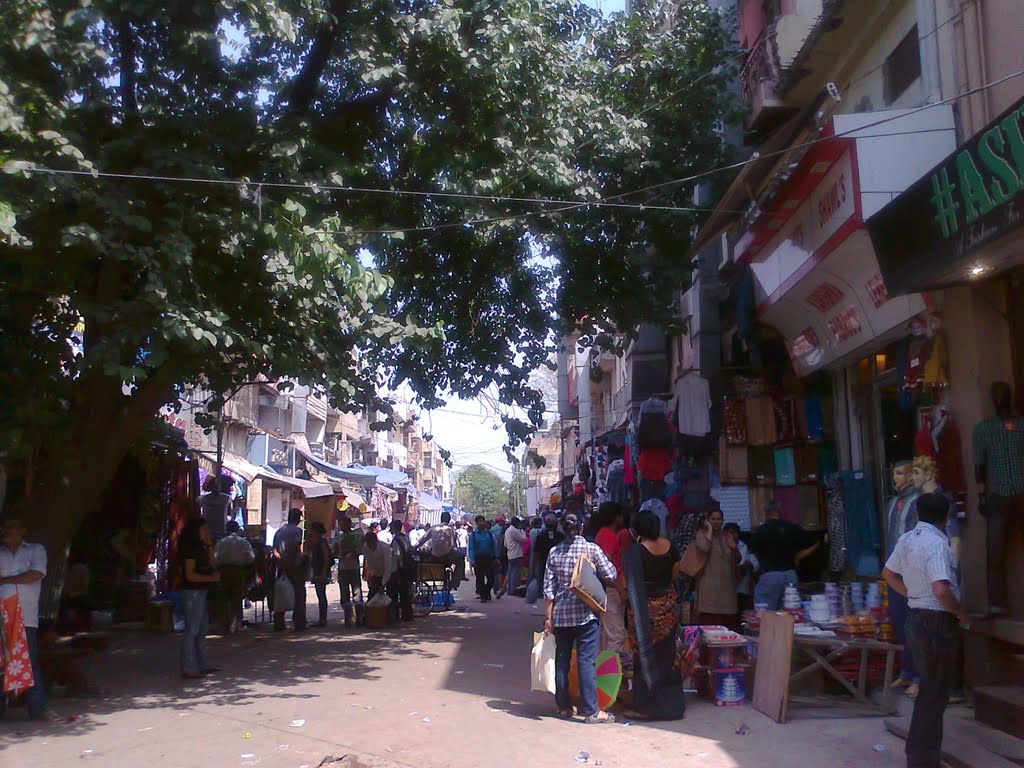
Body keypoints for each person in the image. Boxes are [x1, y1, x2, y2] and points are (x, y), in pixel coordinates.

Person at [882, 492, 966, 768]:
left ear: (917, 514)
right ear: (945, 519)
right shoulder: (937, 544)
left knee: (928, 689)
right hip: (937, 621)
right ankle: (924, 760)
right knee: (935, 693)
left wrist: (910, 595)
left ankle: (917, 755)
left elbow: (888, 574)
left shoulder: (907, 539)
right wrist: (959, 611)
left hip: (915, 617)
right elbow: (941, 589)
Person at [544, 513, 617, 724]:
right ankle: (592, 711)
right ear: (582, 528)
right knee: (586, 662)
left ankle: (564, 707)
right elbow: (611, 574)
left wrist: (548, 618)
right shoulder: (591, 549)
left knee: (562, 661)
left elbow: (548, 589)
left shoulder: (554, 552)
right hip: (586, 615)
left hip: (561, 616)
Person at [622, 509, 686, 721]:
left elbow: (627, 586)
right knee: (669, 658)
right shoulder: (671, 547)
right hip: (667, 610)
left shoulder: (634, 552)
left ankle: (644, 708)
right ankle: (672, 707)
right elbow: (675, 574)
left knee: (644, 659)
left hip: (643, 615)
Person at [0, 516, 49, 718]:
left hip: (25, 616)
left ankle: (37, 711)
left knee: (29, 663)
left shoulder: (35, 550)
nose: (8, 531)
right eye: (5, 528)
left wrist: (5, 580)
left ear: (22, 530)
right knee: (2, 662)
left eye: (13, 527)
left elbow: (36, 574)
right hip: (2, 617)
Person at [750, 500, 820, 609]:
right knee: (788, 614)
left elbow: (752, 552)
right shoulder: (792, 527)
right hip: (790, 575)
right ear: (780, 511)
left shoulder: (761, 530)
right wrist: (798, 556)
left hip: (770, 575)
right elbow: (815, 541)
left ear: (766, 511)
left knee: (764, 613)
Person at [177, 517, 220, 680]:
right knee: (192, 630)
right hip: (192, 592)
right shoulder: (189, 549)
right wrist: (210, 579)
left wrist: (209, 544)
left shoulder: (201, 547)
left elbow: (212, 562)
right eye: (204, 529)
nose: (206, 532)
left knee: (202, 630)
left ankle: (203, 664)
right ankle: (188, 667)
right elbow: (190, 575)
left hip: (202, 591)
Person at [693, 506, 739, 628]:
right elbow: (704, 548)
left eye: (719, 519)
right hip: (708, 585)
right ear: (707, 520)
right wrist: (708, 530)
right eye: (713, 519)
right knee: (709, 624)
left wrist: (734, 548)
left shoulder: (727, 536)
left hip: (727, 585)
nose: (716, 522)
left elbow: (737, 559)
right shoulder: (701, 535)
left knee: (728, 624)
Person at [594, 502, 627, 654]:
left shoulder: (604, 534)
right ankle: (614, 673)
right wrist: (619, 588)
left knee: (608, 635)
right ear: (616, 517)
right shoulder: (608, 536)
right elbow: (604, 568)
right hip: (610, 590)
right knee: (617, 635)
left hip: (608, 589)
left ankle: (604, 673)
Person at [214, 520, 255, 635]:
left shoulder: (220, 542)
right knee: (236, 599)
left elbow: (215, 558)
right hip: (238, 571)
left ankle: (223, 625)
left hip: (223, 571)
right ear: (238, 530)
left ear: (226, 530)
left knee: (223, 599)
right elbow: (251, 557)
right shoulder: (243, 542)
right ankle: (235, 626)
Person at [273, 508, 306, 632]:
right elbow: (296, 547)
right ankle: (299, 622)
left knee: (280, 593)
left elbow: (275, 549)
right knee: (299, 594)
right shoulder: (297, 531)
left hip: (281, 566)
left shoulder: (279, 531)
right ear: (298, 519)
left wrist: (281, 562)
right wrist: (290, 562)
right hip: (295, 566)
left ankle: (279, 622)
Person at [415, 511, 467, 584]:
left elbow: (422, 540)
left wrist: (415, 547)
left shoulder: (434, 528)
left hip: (434, 556)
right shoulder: (451, 530)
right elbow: (452, 545)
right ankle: (455, 582)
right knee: (461, 559)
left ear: (441, 519)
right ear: (449, 520)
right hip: (447, 557)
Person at [334, 515, 364, 627]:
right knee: (345, 594)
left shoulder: (356, 536)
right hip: (343, 568)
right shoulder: (339, 538)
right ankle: (349, 618)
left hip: (353, 567)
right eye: (340, 524)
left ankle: (359, 618)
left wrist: (349, 551)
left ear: (349, 524)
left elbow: (360, 550)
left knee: (356, 593)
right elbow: (335, 553)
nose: (341, 527)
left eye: (343, 524)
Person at [724, 522, 758, 612]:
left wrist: (749, 565)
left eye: (734, 532)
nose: (732, 535)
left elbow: (755, 564)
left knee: (742, 608)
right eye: (729, 533)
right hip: (726, 584)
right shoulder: (720, 547)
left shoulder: (745, 547)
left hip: (742, 585)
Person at [305, 522, 332, 627]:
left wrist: (324, 572)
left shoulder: (321, 542)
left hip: (321, 571)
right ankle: (322, 618)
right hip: (317, 570)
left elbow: (326, 558)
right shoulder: (315, 542)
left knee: (321, 595)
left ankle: (323, 619)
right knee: (320, 594)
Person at [387, 520, 414, 622]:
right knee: (405, 593)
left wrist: (396, 571)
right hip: (406, 569)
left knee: (394, 592)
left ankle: (396, 615)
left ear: (394, 528)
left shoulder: (396, 540)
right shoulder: (405, 538)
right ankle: (407, 614)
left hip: (399, 569)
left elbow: (397, 556)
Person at [468, 515, 497, 601]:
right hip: (478, 558)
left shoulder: (489, 534)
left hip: (489, 558)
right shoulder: (473, 535)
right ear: (476, 523)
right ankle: (483, 596)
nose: (481, 523)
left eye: (483, 521)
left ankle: (486, 592)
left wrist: (495, 557)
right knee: (480, 579)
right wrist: (472, 560)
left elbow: (494, 546)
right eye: (479, 521)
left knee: (491, 578)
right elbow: (471, 548)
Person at [501, 517, 528, 598]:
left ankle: (509, 589)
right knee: (515, 574)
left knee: (510, 573)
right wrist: (523, 532)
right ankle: (513, 590)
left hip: (510, 554)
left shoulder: (507, 530)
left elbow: (505, 544)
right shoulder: (514, 531)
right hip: (517, 554)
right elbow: (524, 540)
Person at [363, 532, 392, 600]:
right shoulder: (366, 547)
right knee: (372, 596)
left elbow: (388, 568)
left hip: (390, 573)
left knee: (390, 596)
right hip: (377, 573)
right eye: (368, 543)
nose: (370, 546)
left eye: (371, 543)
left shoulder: (385, 548)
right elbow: (370, 562)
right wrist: (370, 576)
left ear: (375, 541)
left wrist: (383, 584)